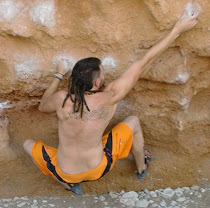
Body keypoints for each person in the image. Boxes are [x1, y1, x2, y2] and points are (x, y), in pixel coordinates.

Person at [23, 7, 199, 195]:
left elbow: (42, 106)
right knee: (133, 122)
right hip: (99, 169)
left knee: (27, 144)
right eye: (103, 71)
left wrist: (58, 74)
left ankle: (68, 184)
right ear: (97, 82)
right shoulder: (111, 96)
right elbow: (145, 61)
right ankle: (141, 168)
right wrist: (176, 30)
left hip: (65, 172)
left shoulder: (61, 99)